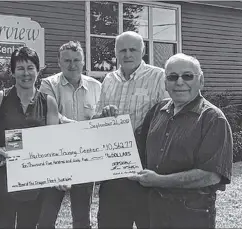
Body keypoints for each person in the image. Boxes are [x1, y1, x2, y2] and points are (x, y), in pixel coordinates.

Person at [129, 53, 233, 228]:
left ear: (201, 81)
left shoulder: (213, 119)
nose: (179, 82)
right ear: (165, 83)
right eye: (172, 77)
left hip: (190, 214)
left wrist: (158, 180)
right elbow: (136, 147)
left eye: (187, 76)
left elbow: (211, 176)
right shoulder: (158, 110)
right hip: (154, 211)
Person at [94, 31, 169, 229]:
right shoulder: (109, 79)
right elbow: (95, 118)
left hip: (147, 166)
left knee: (149, 223)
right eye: (122, 50)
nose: (127, 54)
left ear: (143, 51)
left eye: (133, 49)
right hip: (114, 169)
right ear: (116, 53)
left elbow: (169, 118)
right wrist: (104, 115)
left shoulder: (158, 77)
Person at [0, 46, 59, 229]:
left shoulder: (48, 102)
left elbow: (52, 142)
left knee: (28, 224)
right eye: (20, 68)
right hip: (4, 177)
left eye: (30, 68)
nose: (26, 73)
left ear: (37, 71)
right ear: (13, 72)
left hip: (34, 177)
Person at [37, 41, 101, 229]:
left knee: (82, 218)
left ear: (83, 62)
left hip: (85, 157)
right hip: (56, 156)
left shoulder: (97, 87)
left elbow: (100, 119)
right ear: (59, 62)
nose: (72, 65)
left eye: (76, 60)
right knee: (47, 215)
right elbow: (50, 115)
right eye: (67, 60)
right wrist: (81, 128)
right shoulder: (48, 84)